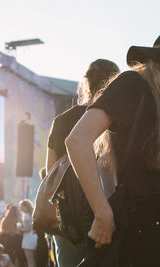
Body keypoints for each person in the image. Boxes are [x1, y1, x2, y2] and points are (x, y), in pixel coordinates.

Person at [65, 28, 160, 266]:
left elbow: (108, 163)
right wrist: (103, 212)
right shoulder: (133, 83)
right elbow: (77, 140)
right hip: (147, 229)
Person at [46, 58, 119, 267]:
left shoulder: (61, 120)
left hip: (68, 216)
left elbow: (50, 172)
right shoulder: (111, 117)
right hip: (108, 207)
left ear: (86, 83)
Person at [18, 200, 37, 267]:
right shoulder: (33, 214)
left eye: (21, 207)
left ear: (26, 207)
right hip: (34, 237)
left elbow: (27, 229)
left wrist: (19, 228)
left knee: (30, 261)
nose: (20, 208)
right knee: (34, 261)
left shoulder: (26, 215)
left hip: (28, 239)